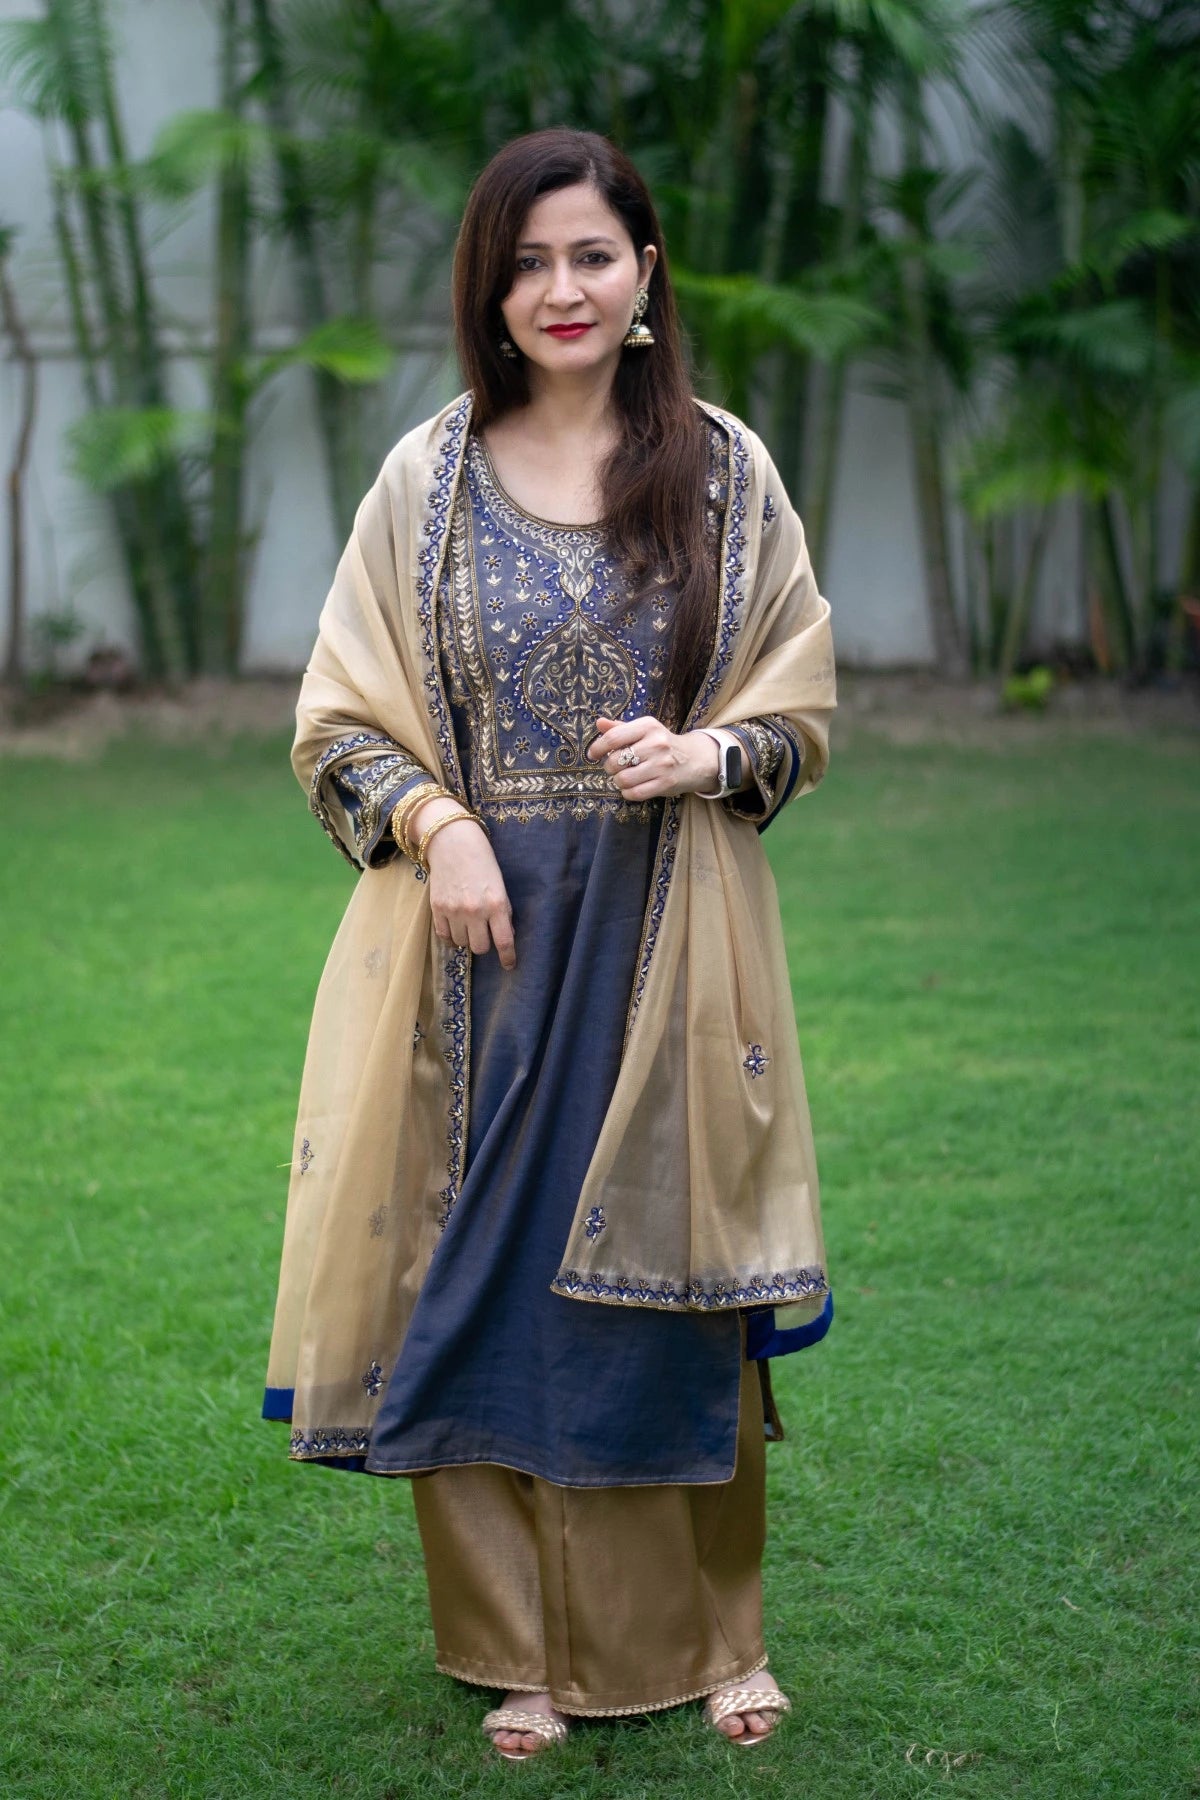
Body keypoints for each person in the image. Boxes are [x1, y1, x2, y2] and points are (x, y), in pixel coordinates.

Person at [262, 127, 837, 1762]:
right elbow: (338, 723)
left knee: (676, 1279)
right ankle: (523, 1648)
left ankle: (723, 1634)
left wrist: (709, 756)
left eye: (592, 253)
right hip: (479, 955)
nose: (561, 288)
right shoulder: (421, 483)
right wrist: (441, 828)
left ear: (647, 271)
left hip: (669, 941)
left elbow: (795, 699)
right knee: (492, 1278)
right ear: (490, 290)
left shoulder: (725, 469)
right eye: (527, 262)